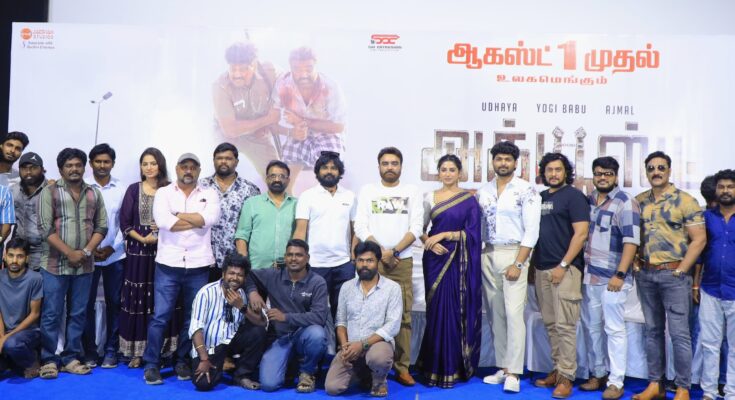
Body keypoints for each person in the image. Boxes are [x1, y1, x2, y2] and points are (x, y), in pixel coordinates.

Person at [632, 151, 706, 400]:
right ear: (646, 172)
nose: (656, 172)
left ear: (669, 171)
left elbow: (699, 240)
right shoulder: (639, 201)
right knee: (652, 332)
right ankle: (656, 384)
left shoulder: (686, 201)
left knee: (679, 334)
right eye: (651, 168)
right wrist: (635, 263)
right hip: (646, 275)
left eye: (661, 168)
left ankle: (683, 388)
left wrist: (682, 269)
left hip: (675, 277)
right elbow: (631, 236)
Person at [142, 153, 220, 385]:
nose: (188, 170)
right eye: (184, 166)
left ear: (198, 171)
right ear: (176, 169)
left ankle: (183, 361)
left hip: (198, 265)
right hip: (168, 264)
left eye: (193, 167)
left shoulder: (209, 193)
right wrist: (196, 220)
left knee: (192, 317)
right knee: (160, 316)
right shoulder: (164, 193)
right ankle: (151, 364)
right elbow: (163, 222)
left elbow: (211, 219)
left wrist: (177, 215)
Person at [354, 147, 423, 386]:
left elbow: (416, 227)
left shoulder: (412, 191)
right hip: (372, 262)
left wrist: (393, 252)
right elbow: (360, 226)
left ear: (401, 166)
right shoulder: (368, 191)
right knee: (368, 312)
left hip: (401, 261)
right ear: (379, 167)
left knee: (403, 315)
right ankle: (366, 365)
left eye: (394, 163)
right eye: (385, 163)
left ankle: (402, 368)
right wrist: (381, 253)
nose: (390, 167)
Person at [38, 148, 108, 379]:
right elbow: (45, 228)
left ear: (84, 167)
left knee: (78, 313)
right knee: (51, 313)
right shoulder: (49, 192)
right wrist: (69, 253)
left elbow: (102, 226)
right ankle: (49, 359)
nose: (74, 169)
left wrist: (85, 252)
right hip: (54, 265)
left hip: (84, 265)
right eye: (69, 165)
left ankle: (70, 358)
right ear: (61, 169)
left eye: (78, 165)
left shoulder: (93, 193)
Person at [477, 141, 541, 393]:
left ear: (516, 163)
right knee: (496, 315)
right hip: (488, 252)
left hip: (515, 254)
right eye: (498, 159)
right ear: (493, 161)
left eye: (507, 159)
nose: (502, 163)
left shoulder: (526, 190)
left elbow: (532, 230)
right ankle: (503, 367)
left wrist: (519, 262)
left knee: (514, 315)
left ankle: (514, 372)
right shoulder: (483, 191)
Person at [417, 154, 482, 388]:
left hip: (458, 261)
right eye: (443, 169)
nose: (447, 174)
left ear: (459, 173)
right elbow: (419, 228)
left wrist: (445, 234)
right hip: (435, 259)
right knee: (436, 312)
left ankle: (452, 366)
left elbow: (474, 234)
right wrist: (430, 242)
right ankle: (433, 366)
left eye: (452, 170)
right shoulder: (429, 197)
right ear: (438, 173)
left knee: (455, 312)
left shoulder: (469, 200)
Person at [579, 157, 640, 400]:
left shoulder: (625, 202)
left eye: (608, 173)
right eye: (598, 173)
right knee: (592, 328)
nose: (602, 177)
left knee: (614, 329)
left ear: (616, 176)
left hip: (614, 279)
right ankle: (598, 374)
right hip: (590, 276)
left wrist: (620, 274)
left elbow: (631, 241)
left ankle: (616, 382)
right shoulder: (589, 200)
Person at [533, 152, 590, 399]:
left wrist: (563, 265)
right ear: (543, 173)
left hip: (565, 270)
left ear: (566, 172)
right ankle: (557, 369)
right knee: (550, 324)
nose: (553, 174)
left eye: (558, 169)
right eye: (549, 170)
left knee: (565, 326)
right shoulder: (540, 197)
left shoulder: (574, 197)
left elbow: (581, 234)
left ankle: (567, 376)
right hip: (541, 269)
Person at [119, 148, 179, 369]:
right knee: (139, 301)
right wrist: (143, 239)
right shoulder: (133, 190)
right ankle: (137, 352)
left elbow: (178, 218)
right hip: (138, 254)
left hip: (166, 252)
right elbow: (125, 223)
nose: (149, 167)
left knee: (162, 302)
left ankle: (162, 351)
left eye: (153, 163)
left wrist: (161, 232)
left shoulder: (171, 189)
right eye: (145, 164)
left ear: (160, 165)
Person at [245, 239, 328, 393]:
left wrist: (286, 317)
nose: (293, 258)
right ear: (285, 257)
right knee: (269, 385)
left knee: (317, 334)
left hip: (304, 334)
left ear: (307, 258)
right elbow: (248, 275)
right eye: (290, 255)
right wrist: (252, 293)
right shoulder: (273, 275)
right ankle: (291, 366)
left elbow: (319, 317)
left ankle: (307, 372)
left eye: (298, 255)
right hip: (280, 337)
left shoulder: (317, 282)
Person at [325, 241, 402, 397]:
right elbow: (341, 321)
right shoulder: (346, 287)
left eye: (369, 260)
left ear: (378, 262)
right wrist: (345, 347)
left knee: (378, 358)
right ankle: (364, 375)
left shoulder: (392, 288)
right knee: (332, 388)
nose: (364, 265)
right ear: (355, 262)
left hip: (377, 345)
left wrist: (362, 344)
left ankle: (379, 380)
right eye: (360, 260)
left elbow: (392, 326)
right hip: (351, 347)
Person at [189, 252, 267, 391]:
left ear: (244, 278)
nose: (235, 278)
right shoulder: (206, 293)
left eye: (240, 275)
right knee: (203, 384)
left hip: (231, 341)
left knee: (258, 332)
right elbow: (196, 330)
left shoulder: (242, 295)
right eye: (231, 273)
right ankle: (221, 365)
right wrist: (204, 359)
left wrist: (242, 307)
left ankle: (241, 375)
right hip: (210, 347)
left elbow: (262, 323)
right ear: (223, 273)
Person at [293, 151, 356, 319]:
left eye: (333, 168)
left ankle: (340, 338)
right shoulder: (307, 196)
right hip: (315, 264)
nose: (329, 171)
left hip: (343, 265)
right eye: (325, 167)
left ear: (339, 172)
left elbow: (355, 230)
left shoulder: (350, 196)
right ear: (317, 171)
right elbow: (300, 230)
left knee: (342, 313)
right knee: (312, 311)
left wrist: (353, 257)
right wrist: (298, 260)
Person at [273, 46, 347, 190]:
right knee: (283, 176)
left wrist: (302, 121)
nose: (303, 74)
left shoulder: (331, 87)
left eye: (308, 68)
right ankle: (288, 200)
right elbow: (272, 120)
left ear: (316, 66)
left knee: (330, 167)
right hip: (297, 134)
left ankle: (329, 198)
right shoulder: (282, 84)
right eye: (297, 69)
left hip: (326, 134)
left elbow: (338, 126)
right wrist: (291, 131)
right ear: (290, 68)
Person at [82, 143, 126, 369]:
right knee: (85, 304)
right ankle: (89, 351)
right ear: (91, 164)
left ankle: (111, 350)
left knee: (115, 303)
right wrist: (90, 248)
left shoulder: (122, 189)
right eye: (97, 161)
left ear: (112, 164)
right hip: (87, 256)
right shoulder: (82, 187)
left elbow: (125, 223)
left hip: (115, 256)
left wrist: (112, 248)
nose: (102, 165)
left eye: (106, 161)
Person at [212, 41, 281, 180]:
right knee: (221, 177)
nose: (237, 74)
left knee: (277, 175)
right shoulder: (220, 86)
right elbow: (230, 130)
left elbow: (287, 88)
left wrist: (275, 108)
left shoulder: (270, 72)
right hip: (226, 137)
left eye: (243, 69)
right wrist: (267, 120)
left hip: (258, 135)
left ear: (254, 65)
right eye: (233, 69)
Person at [698, 169, 735, 400]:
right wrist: (695, 285)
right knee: (709, 344)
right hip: (710, 288)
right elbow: (699, 254)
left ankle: (732, 393)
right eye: (721, 187)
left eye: (730, 186)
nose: (725, 191)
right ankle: (709, 392)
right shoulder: (706, 218)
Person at [199, 142, 260, 281]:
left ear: (236, 162)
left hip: (235, 262)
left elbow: (255, 226)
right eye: (219, 158)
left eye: (228, 158)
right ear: (214, 161)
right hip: (204, 259)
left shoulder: (250, 189)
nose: (223, 161)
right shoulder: (201, 186)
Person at [235, 160, 297, 269]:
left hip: (289, 269)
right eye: (273, 176)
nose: (277, 180)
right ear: (266, 178)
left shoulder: (297, 204)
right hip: (257, 268)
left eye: (282, 176)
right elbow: (242, 235)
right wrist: (243, 265)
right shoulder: (252, 203)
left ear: (288, 180)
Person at [0, 238, 43, 379]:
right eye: (11, 255)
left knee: (12, 344)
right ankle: (10, 362)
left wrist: (6, 338)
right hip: (5, 332)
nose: (14, 260)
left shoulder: (35, 278)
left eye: (20, 256)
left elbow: (35, 314)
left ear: (27, 258)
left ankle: (32, 362)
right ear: (4, 256)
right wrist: (1, 337)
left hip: (28, 332)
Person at [10, 152, 50, 270]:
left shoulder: (52, 190)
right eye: (24, 168)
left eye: (33, 168)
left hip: (44, 252)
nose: (28, 172)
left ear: (42, 169)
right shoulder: (13, 190)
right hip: (19, 251)